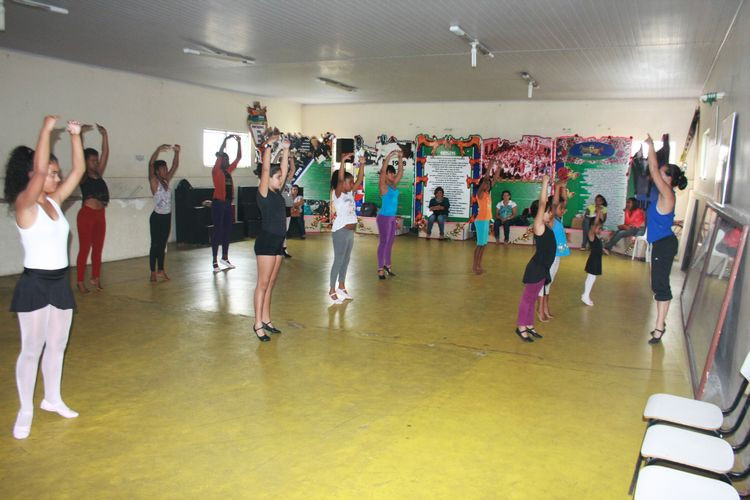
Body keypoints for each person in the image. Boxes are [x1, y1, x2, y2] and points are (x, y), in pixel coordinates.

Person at [5, 116, 85, 439]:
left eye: (55, 173)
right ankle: (26, 408)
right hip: (35, 284)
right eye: (52, 173)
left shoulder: (54, 202)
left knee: (57, 346)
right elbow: (38, 172)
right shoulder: (25, 205)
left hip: (59, 282)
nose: (56, 177)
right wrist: (45, 131)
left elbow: (79, 172)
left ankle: (52, 398)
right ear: (32, 176)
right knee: (31, 348)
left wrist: (76, 137)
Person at [644, 134, 688, 344]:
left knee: (661, 287)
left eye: (663, 174)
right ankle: (660, 325)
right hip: (661, 243)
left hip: (663, 245)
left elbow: (653, 169)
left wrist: (651, 147)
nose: (658, 176)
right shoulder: (666, 195)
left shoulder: (667, 193)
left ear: (669, 178)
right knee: (657, 285)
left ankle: (659, 327)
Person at [252, 136, 290, 341]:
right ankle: (257, 323)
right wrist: (267, 146)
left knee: (271, 282)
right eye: (278, 177)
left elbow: (280, 171)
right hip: (266, 242)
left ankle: (266, 319)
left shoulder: (277, 192)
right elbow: (267, 170)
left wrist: (285, 150)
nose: (280, 179)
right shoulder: (263, 192)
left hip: (277, 243)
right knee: (263, 283)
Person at [515, 175, 554, 342]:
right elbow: (543, 203)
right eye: (548, 210)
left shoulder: (546, 225)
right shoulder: (538, 226)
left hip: (542, 269)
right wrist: (545, 183)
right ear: (541, 212)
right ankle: (521, 327)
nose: (551, 212)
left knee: (531, 299)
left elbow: (548, 204)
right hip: (536, 269)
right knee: (527, 299)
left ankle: (529, 324)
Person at [76, 123, 109, 293]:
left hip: (100, 214)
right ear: (86, 161)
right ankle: (80, 281)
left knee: (98, 248)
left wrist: (104, 136)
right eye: (92, 160)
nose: (96, 163)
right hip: (87, 215)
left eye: (96, 160)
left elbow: (105, 155)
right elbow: (79, 153)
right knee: (84, 249)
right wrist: (79, 134)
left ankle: (96, 278)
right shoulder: (82, 175)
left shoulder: (99, 173)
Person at [328, 152, 365, 304]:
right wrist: (342, 162)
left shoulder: (349, 193)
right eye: (349, 182)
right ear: (341, 183)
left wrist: (362, 164)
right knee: (338, 260)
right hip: (340, 231)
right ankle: (331, 290)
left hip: (350, 232)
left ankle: (341, 286)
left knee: (346, 260)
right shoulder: (337, 194)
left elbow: (360, 179)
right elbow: (341, 178)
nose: (351, 184)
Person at [537, 179, 570, 321]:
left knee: (549, 283)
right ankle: (540, 310)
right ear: (552, 209)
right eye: (560, 208)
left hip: (557, 257)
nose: (563, 210)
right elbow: (556, 203)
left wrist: (563, 188)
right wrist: (557, 187)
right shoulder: (551, 220)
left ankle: (546, 308)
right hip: (550, 256)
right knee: (543, 283)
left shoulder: (559, 219)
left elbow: (563, 202)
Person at [147, 144, 180, 282]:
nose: (166, 170)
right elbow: (150, 164)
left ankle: (161, 270)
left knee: (162, 245)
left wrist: (177, 152)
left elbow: (175, 165)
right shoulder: (154, 181)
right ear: (157, 171)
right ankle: (153, 272)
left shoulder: (166, 180)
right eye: (163, 168)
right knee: (155, 244)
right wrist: (158, 149)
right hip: (157, 218)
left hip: (167, 217)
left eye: (166, 168)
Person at [211, 134, 241, 273]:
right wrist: (225, 140)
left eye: (228, 159)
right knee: (218, 232)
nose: (227, 161)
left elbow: (238, 158)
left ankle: (225, 257)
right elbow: (221, 152)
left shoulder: (228, 171)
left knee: (228, 230)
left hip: (228, 204)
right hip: (218, 204)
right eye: (225, 158)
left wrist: (239, 143)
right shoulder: (216, 170)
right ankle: (214, 261)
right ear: (221, 159)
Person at [376, 149, 404, 279]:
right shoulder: (383, 185)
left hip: (391, 218)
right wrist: (388, 157)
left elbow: (401, 172)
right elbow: (382, 171)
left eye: (393, 173)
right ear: (386, 174)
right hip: (384, 218)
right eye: (390, 173)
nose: (393, 175)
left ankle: (388, 265)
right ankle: (380, 268)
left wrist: (399, 158)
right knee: (383, 242)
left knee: (390, 242)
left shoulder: (393, 185)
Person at [473, 168, 500, 274]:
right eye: (486, 184)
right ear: (482, 185)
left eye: (489, 184)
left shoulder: (488, 194)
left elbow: (495, 179)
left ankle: (479, 265)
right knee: (480, 244)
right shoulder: (480, 194)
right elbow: (487, 178)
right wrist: (490, 166)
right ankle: (475, 266)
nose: (488, 185)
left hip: (486, 221)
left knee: (483, 244)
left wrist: (499, 166)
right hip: (480, 221)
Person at [581, 207, 605, 306]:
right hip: (594, 260)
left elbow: (598, 246)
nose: (600, 230)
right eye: (599, 228)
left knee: (592, 278)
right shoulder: (591, 234)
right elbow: (594, 224)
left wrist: (604, 250)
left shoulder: (595, 237)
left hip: (596, 259)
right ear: (593, 227)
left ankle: (585, 294)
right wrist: (598, 213)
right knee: (591, 278)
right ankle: (586, 295)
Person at [280, 157, 297, 258]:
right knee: (281, 229)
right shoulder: (279, 181)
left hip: (288, 207)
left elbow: (293, 169)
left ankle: (283, 248)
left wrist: (291, 159)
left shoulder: (288, 181)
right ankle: (279, 248)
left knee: (285, 229)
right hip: (281, 208)